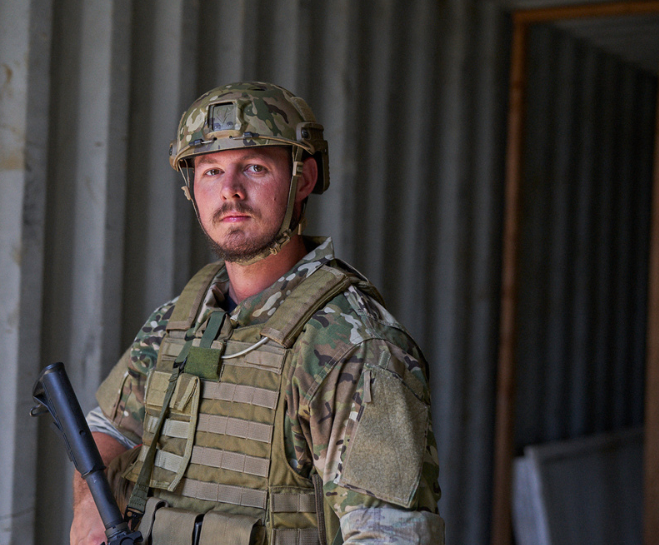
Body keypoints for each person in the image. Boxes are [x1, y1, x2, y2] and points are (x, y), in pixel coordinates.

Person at [71, 82, 444, 545]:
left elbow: (392, 536)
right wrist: (89, 502)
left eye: (253, 167)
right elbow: (110, 427)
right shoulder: (181, 318)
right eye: (210, 171)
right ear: (192, 188)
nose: (230, 191)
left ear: (303, 179)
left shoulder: (353, 344)